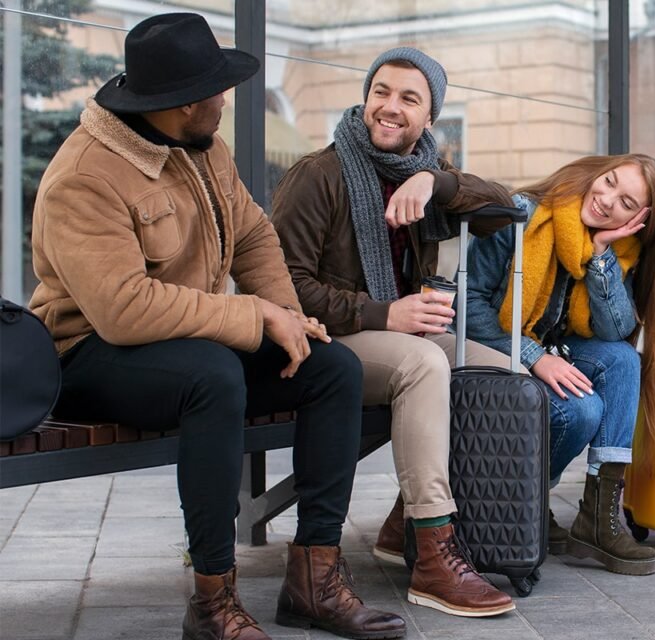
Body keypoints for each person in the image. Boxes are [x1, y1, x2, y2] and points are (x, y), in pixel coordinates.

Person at [28, 13, 406, 640]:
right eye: (218, 90)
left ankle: (314, 581)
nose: (227, 100)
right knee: (213, 376)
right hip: (87, 354)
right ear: (183, 103)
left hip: (186, 341)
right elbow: (122, 309)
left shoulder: (202, 148)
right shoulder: (85, 176)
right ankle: (212, 602)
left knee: (332, 367)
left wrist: (288, 318)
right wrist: (254, 315)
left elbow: (254, 235)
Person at [270, 48, 516, 617]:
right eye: (381, 91)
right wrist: (385, 314)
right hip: (326, 339)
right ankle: (434, 553)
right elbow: (284, 288)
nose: (389, 106)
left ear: (429, 117)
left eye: (409, 98)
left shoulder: (422, 171)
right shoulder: (319, 174)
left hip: (397, 332)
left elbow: (505, 203)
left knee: (504, 374)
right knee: (423, 365)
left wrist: (435, 181)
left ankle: (403, 521)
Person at [464, 153, 655, 576]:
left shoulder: (621, 250)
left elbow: (614, 330)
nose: (607, 200)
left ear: (641, 220)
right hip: (492, 349)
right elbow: (466, 301)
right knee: (582, 410)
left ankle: (598, 519)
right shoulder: (524, 215)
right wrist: (534, 357)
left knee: (622, 359)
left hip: (551, 354)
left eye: (627, 203)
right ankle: (528, 501)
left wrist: (600, 257)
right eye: (609, 182)